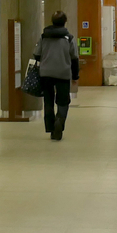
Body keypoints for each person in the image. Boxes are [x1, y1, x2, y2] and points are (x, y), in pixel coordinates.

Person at [34, 11, 79, 140]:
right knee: (63, 101)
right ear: (65, 22)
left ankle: (50, 126)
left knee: (48, 100)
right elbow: (74, 58)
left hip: (46, 73)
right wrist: (75, 76)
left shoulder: (44, 36)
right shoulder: (69, 38)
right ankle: (59, 121)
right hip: (63, 73)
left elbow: (36, 54)